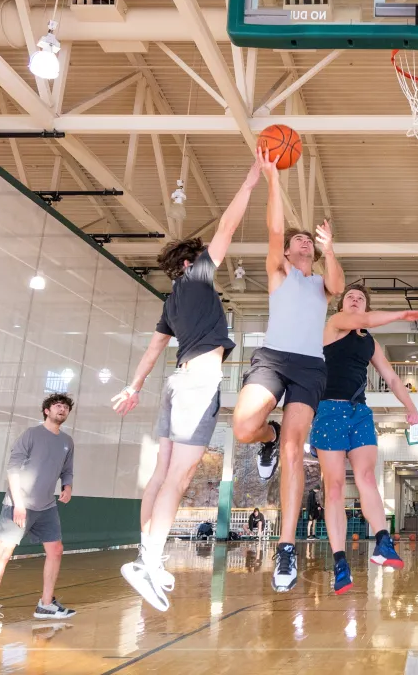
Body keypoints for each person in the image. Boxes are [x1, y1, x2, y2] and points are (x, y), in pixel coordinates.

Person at [111, 154, 262, 611]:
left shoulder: (171, 300)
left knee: (161, 474)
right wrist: (253, 175)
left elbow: (154, 350)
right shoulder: (198, 277)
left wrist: (134, 386)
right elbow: (229, 226)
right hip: (197, 382)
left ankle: (147, 556)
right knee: (179, 478)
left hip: (176, 382)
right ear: (193, 261)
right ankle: (149, 561)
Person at [230, 151, 345, 592]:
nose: (300, 242)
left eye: (307, 241)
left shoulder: (320, 281)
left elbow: (337, 285)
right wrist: (274, 178)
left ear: (313, 250)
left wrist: (330, 248)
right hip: (273, 357)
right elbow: (275, 229)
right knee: (244, 427)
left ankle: (286, 547)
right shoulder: (279, 274)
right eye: (296, 240)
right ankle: (268, 438)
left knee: (297, 453)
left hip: (309, 367)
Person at [309, 284, 418, 593]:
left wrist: (411, 407)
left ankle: (383, 543)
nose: (356, 300)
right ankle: (340, 563)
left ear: (366, 304)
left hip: (360, 412)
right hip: (329, 409)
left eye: (361, 298)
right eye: (350, 297)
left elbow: (392, 378)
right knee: (333, 487)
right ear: (341, 307)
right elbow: (369, 320)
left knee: (367, 478)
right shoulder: (333, 326)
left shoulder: (369, 343)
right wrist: (401, 314)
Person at [0, 394, 79, 635]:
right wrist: (19, 504)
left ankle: (45, 604)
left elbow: (67, 469)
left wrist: (67, 486)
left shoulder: (67, 441)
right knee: (4, 554)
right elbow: (13, 469)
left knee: (56, 550)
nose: (61, 409)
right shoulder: (31, 435)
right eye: (57, 406)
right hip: (18, 503)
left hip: (47, 506)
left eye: (65, 407)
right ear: (46, 410)